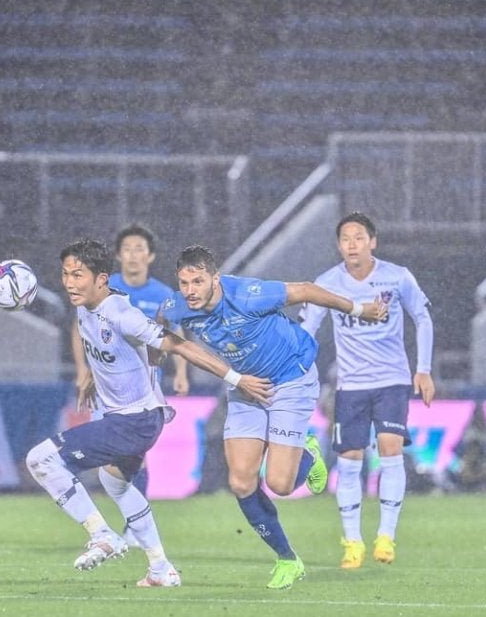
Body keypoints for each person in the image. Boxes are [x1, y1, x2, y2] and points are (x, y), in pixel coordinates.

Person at [27, 239, 271, 587]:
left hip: (134, 420)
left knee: (41, 460)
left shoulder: (121, 314)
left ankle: (102, 535)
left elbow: (180, 345)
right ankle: (161, 568)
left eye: (77, 275)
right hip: (131, 418)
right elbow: (109, 348)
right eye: (66, 274)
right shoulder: (85, 307)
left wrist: (237, 378)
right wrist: (92, 375)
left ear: (101, 279)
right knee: (115, 482)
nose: (69, 283)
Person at [157, 245, 385, 590]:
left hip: (290, 377)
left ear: (215, 279)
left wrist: (359, 309)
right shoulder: (178, 305)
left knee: (280, 484)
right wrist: (163, 358)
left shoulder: (248, 295)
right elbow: (162, 324)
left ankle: (308, 455)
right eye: (184, 282)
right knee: (241, 482)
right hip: (245, 386)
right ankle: (287, 559)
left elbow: (306, 290)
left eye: (198, 281)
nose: (190, 290)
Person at [299, 211, 436, 570]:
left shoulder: (397, 277)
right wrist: (294, 366)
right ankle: (352, 543)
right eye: (345, 239)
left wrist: (423, 369)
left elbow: (422, 317)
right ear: (338, 245)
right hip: (351, 386)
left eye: (359, 238)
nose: (352, 245)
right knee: (348, 461)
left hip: (392, 381)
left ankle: (386, 536)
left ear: (372, 242)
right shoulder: (327, 283)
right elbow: (306, 329)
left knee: (390, 450)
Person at [68, 224, 187, 543]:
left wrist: (182, 372)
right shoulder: (104, 287)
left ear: (151, 256)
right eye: (127, 249)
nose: (133, 255)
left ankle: (132, 530)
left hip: (142, 389)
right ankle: (125, 527)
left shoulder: (162, 295)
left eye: (139, 249)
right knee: (111, 464)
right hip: (105, 386)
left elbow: (174, 334)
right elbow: (80, 329)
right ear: (118, 256)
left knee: (134, 456)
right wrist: (83, 369)